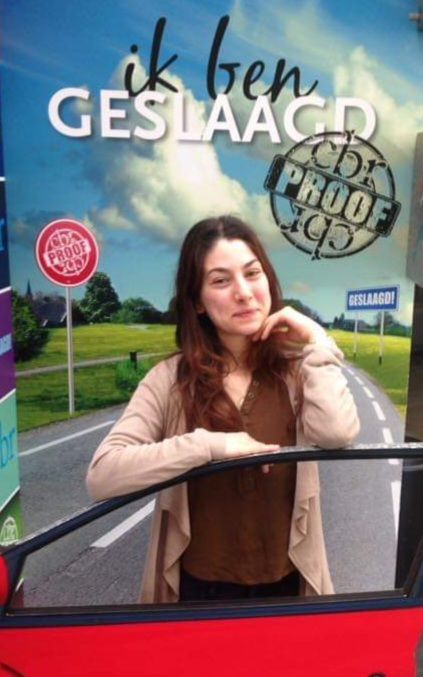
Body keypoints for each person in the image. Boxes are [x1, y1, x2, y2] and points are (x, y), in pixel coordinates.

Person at [86, 215, 360, 603]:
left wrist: (318, 341)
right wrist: (210, 447)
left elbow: (336, 434)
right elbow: (102, 475)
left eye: (252, 273)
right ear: (197, 301)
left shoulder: (298, 372)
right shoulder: (170, 380)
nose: (244, 293)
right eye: (220, 281)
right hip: (198, 598)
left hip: (288, 590)